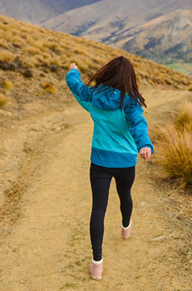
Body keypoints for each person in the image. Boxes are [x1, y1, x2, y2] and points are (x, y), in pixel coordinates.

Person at [65, 56, 153, 280]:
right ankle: (125, 225)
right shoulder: (130, 103)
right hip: (125, 162)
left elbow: (76, 87)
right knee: (125, 195)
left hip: (100, 163)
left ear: (107, 73)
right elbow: (138, 124)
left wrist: (73, 72)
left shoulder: (93, 98)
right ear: (128, 78)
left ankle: (97, 264)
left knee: (98, 209)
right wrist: (143, 144)